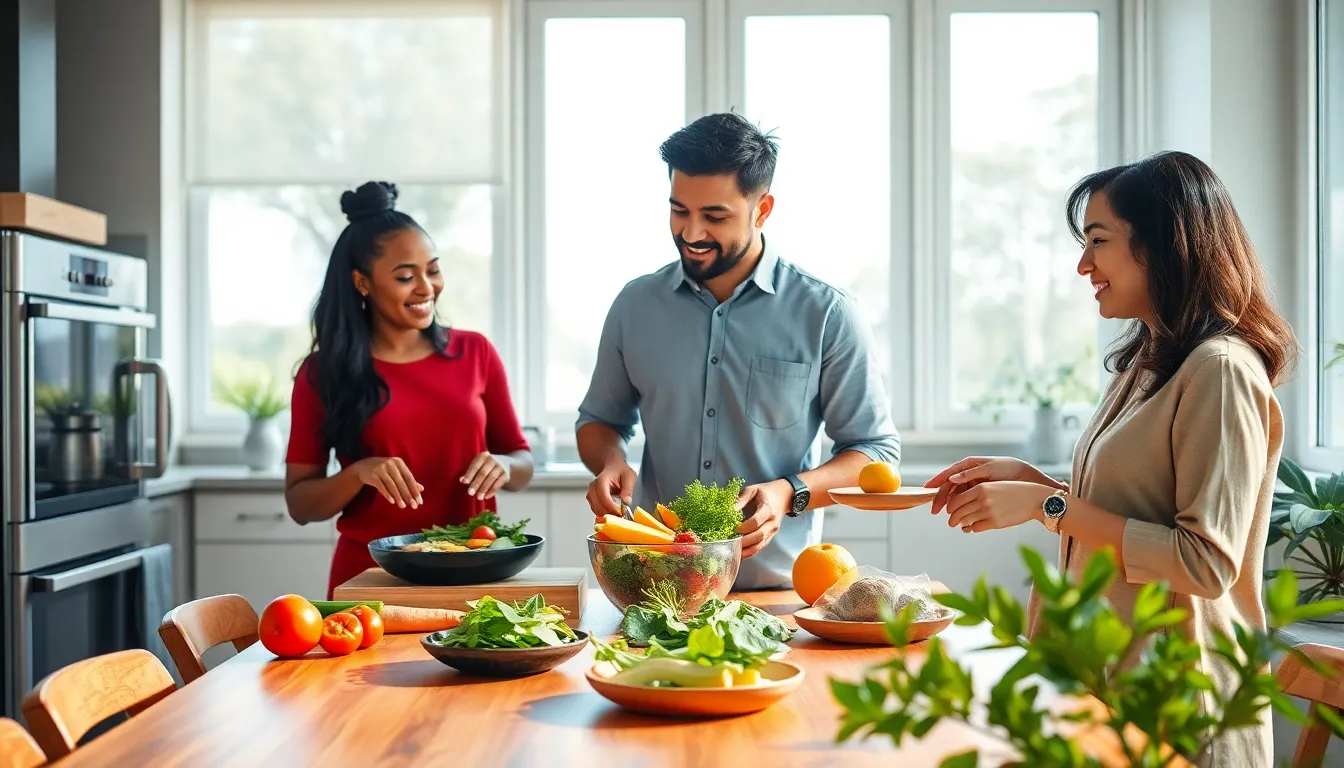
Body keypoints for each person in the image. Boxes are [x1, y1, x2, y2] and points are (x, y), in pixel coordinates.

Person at [925, 151, 1295, 766]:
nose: (1082, 264)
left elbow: (1205, 564)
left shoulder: (1220, 370)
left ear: (1165, 244)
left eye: (1098, 241)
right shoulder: (1151, 361)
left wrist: (1049, 505)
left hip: (1178, 704)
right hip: (1112, 688)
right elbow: (1127, 511)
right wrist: (1034, 484)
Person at [576, 112, 901, 590]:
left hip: (781, 592)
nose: (691, 233)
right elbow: (599, 421)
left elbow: (876, 454)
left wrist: (789, 493)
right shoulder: (634, 305)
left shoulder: (827, 313)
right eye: (679, 210)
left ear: (762, 209)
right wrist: (609, 462)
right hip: (657, 588)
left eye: (715, 216)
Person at [284, 181, 534, 598]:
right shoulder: (321, 373)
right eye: (405, 276)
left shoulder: (475, 351)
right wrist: (358, 472)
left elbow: (522, 461)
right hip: (369, 580)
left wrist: (505, 466)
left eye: (433, 270)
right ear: (363, 283)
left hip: (473, 570)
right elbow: (300, 503)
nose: (426, 287)